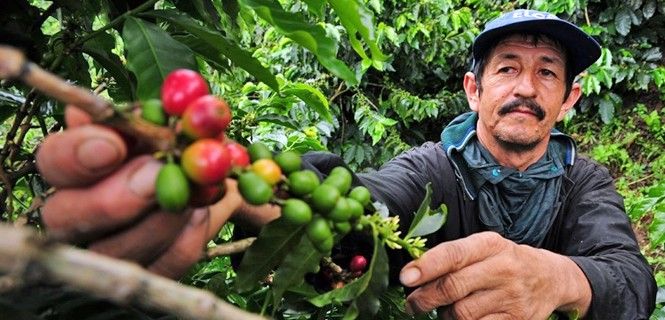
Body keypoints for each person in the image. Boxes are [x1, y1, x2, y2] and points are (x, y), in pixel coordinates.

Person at [36, 9, 655, 320]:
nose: (527, 86)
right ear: (473, 90)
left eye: (547, 73)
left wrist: (558, 279)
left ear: (570, 99)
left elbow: (631, 281)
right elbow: (365, 205)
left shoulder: (584, 181)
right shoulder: (435, 169)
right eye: (508, 69)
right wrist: (254, 193)